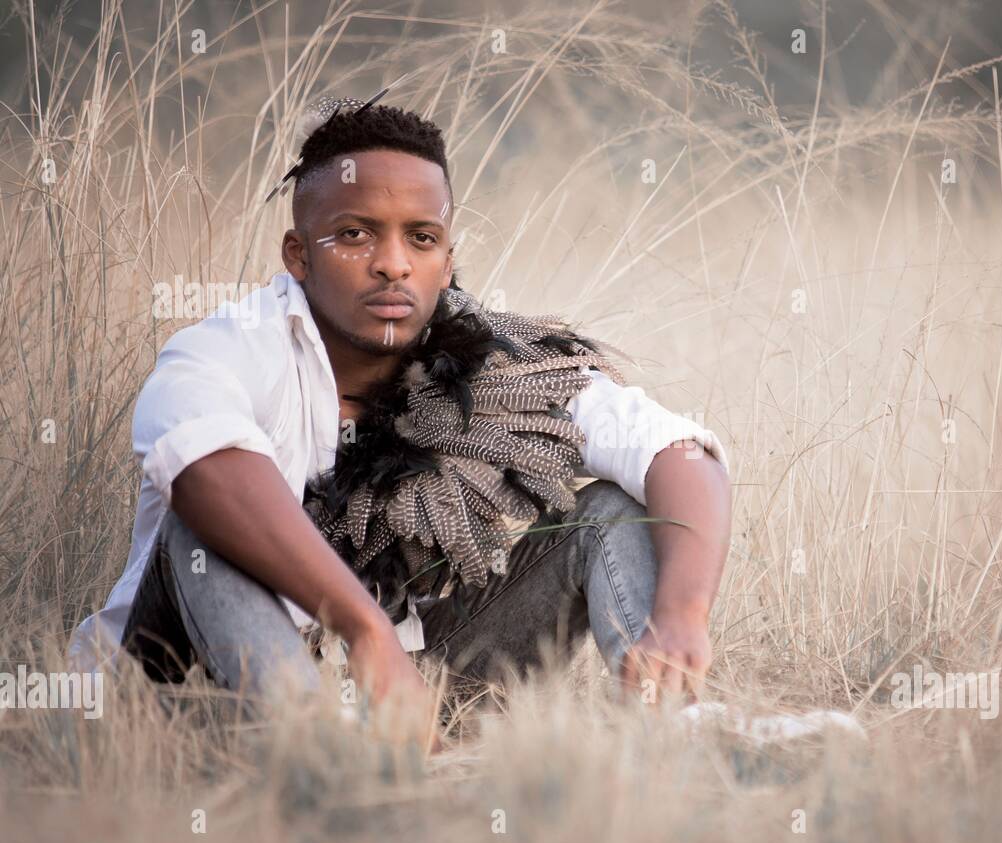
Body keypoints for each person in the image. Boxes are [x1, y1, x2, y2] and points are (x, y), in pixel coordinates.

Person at [68, 102, 732, 749]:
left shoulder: (490, 361)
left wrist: (681, 614)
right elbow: (203, 470)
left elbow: (677, 450)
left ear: (445, 260)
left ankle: (676, 743)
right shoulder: (231, 347)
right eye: (355, 234)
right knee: (204, 526)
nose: (393, 263)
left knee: (615, 508)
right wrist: (365, 628)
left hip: (399, 690)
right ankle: (319, 765)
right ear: (299, 254)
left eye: (421, 237)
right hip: (194, 695)